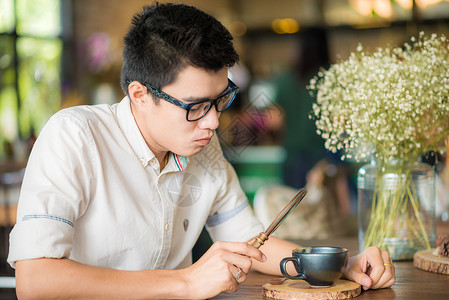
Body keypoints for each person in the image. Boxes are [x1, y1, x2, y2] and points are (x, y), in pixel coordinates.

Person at [8, 3, 395, 299]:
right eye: (195, 106)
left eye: (220, 100)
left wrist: (341, 267)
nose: (212, 122)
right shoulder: (75, 136)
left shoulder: (202, 150)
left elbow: (253, 246)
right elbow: (35, 280)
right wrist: (186, 282)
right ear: (140, 95)